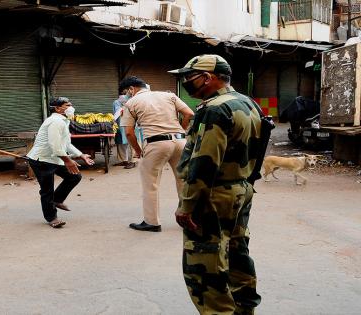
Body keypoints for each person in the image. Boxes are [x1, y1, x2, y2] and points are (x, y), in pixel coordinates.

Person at [169, 54, 262, 314]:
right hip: (241, 188)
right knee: (236, 255)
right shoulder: (246, 102)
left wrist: (187, 206)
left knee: (205, 267)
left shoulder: (214, 109)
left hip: (214, 194)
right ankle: (245, 309)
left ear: (208, 77)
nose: (186, 82)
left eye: (190, 77)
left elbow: (204, 162)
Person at [119, 76, 194, 232]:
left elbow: (129, 132)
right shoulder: (169, 95)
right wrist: (181, 129)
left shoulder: (131, 103)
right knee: (184, 181)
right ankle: (190, 218)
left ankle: (152, 222)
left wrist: (139, 151)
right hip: (180, 142)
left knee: (151, 184)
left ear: (132, 89)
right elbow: (189, 113)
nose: (126, 95)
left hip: (156, 143)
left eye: (126, 92)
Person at [27, 97, 95, 228]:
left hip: (54, 158)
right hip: (41, 160)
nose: (71, 107)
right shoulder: (55, 122)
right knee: (47, 189)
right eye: (67, 105)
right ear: (58, 109)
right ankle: (52, 218)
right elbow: (55, 145)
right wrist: (68, 161)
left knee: (74, 177)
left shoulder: (63, 121)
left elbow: (66, 144)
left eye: (71, 104)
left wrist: (81, 155)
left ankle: (57, 199)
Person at [112, 90, 136, 169]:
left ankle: (133, 161)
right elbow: (116, 112)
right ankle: (124, 160)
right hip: (121, 124)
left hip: (132, 124)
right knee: (121, 142)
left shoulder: (134, 101)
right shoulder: (116, 102)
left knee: (133, 142)